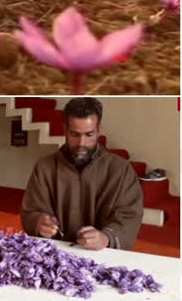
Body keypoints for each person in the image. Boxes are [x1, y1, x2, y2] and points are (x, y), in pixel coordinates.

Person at [21, 97, 143, 251]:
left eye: (89, 134)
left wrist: (106, 238)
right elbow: (31, 211)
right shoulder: (44, 167)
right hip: (56, 255)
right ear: (65, 130)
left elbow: (129, 216)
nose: (81, 144)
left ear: (99, 130)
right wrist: (38, 223)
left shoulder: (121, 170)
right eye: (74, 134)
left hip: (104, 255)